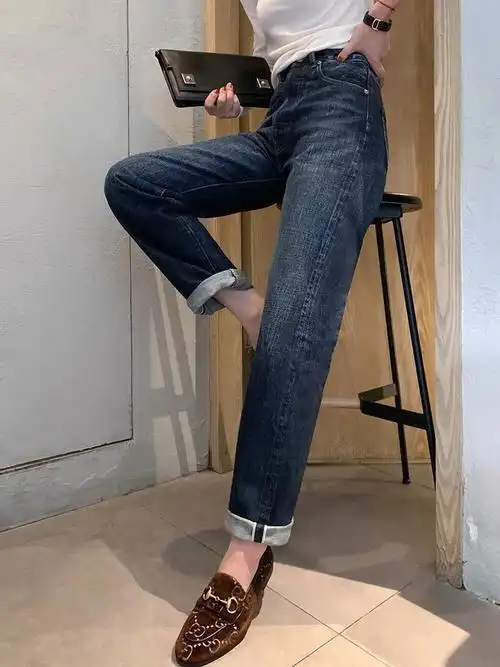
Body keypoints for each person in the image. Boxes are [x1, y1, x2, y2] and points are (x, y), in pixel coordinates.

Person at [105, 0, 398, 663]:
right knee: (134, 184)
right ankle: (253, 311)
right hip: (282, 116)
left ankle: (246, 553)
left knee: (296, 330)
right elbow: (285, 50)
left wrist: (379, 20)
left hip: (341, 108)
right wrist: (238, 97)